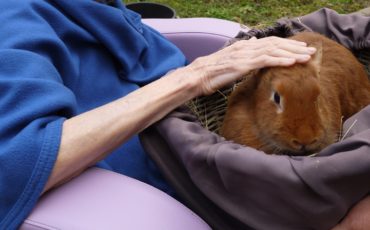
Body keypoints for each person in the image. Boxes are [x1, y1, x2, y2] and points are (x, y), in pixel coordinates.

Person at [0, 0, 317, 228]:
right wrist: (192, 78)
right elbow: (18, 161)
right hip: (185, 198)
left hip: (213, 159)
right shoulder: (14, 21)